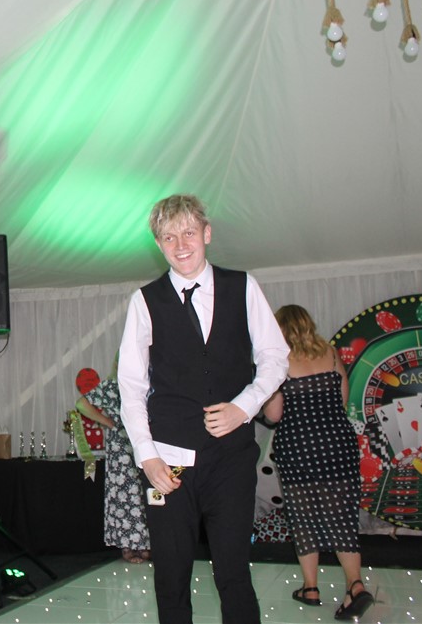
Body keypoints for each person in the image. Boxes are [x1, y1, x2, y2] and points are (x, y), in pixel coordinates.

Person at [118, 193, 289, 624]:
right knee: (170, 575)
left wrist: (243, 408)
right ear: (158, 244)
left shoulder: (243, 286)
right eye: (169, 237)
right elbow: (131, 386)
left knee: (233, 573)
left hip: (231, 459)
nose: (181, 245)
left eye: (189, 233)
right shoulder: (144, 301)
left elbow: (276, 357)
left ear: (207, 234)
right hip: (167, 462)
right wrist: (147, 456)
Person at [262, 305, 373, 621]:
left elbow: (274, 414)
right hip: (338, 445)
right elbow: (342, 400)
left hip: (298, 448)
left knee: (303, 517)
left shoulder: (279, 361)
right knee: (342, 517)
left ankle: (311, 587)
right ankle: (354, 584)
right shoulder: (331, 353)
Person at [74, 366, 151, 565]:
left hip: (144, 445)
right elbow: (81, 404)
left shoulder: (148, 384)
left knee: (145, 494)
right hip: (123, 448)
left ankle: (146, 544)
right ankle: (130, 546)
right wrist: (109, 422)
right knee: (126, 497)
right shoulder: (114, 386)